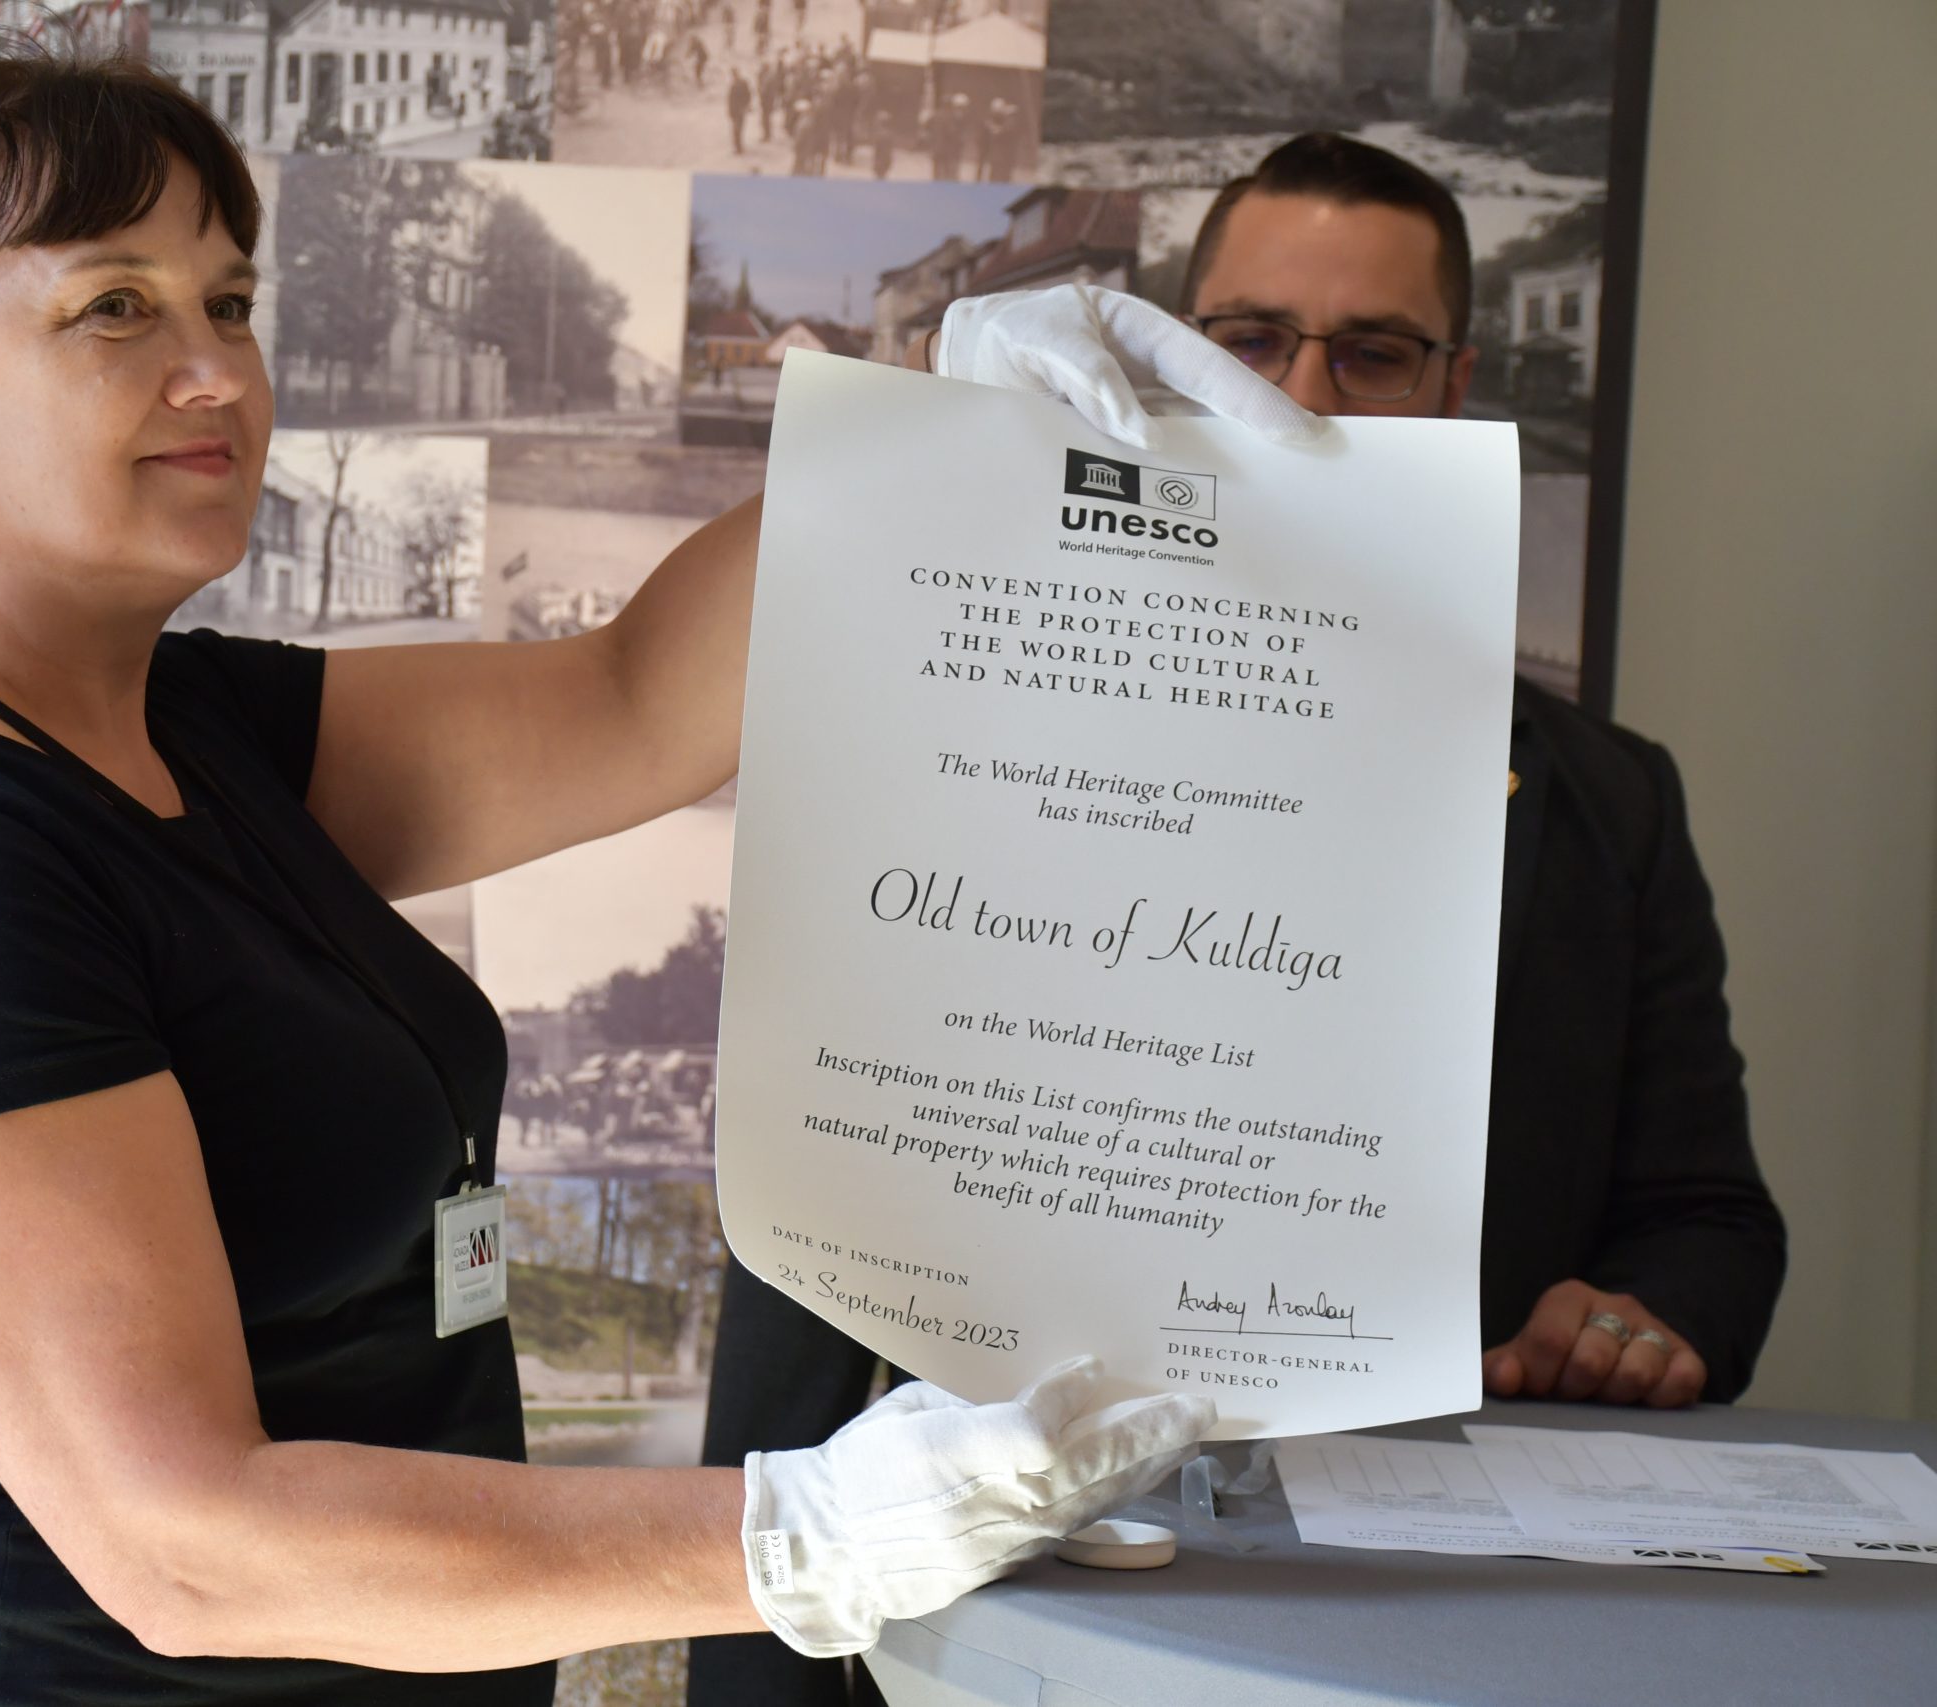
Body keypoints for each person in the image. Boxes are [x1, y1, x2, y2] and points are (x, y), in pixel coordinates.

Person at [0, 37, 1305, 1706]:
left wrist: (934, 415)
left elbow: (635, 697)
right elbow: (184, 1542)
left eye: (227, 303)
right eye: (114, 308)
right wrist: (800, 1535)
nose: (215, 372)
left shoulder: (185, 728)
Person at [689, 131, 1787, 1707]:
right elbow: (820, 1247)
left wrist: (1636, 1318)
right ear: (1168, 347)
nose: (1306, 397)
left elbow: (1712, 1221)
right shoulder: (952, 731)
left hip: (1432, 1626)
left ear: (1456, 384)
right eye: (1253, 341)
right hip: (1007, 1620)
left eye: (1374, 353)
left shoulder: (1612, 802)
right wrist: (751, 1665)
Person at [726, 65, 752, 154]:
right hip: (739, 110)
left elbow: (732, 100)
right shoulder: (742, 82)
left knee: (737, 130)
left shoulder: (736, 84)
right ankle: (739, 147)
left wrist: (746, 106)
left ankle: (738, 148)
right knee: (738, 129)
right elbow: (748, 95)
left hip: (737, 110)